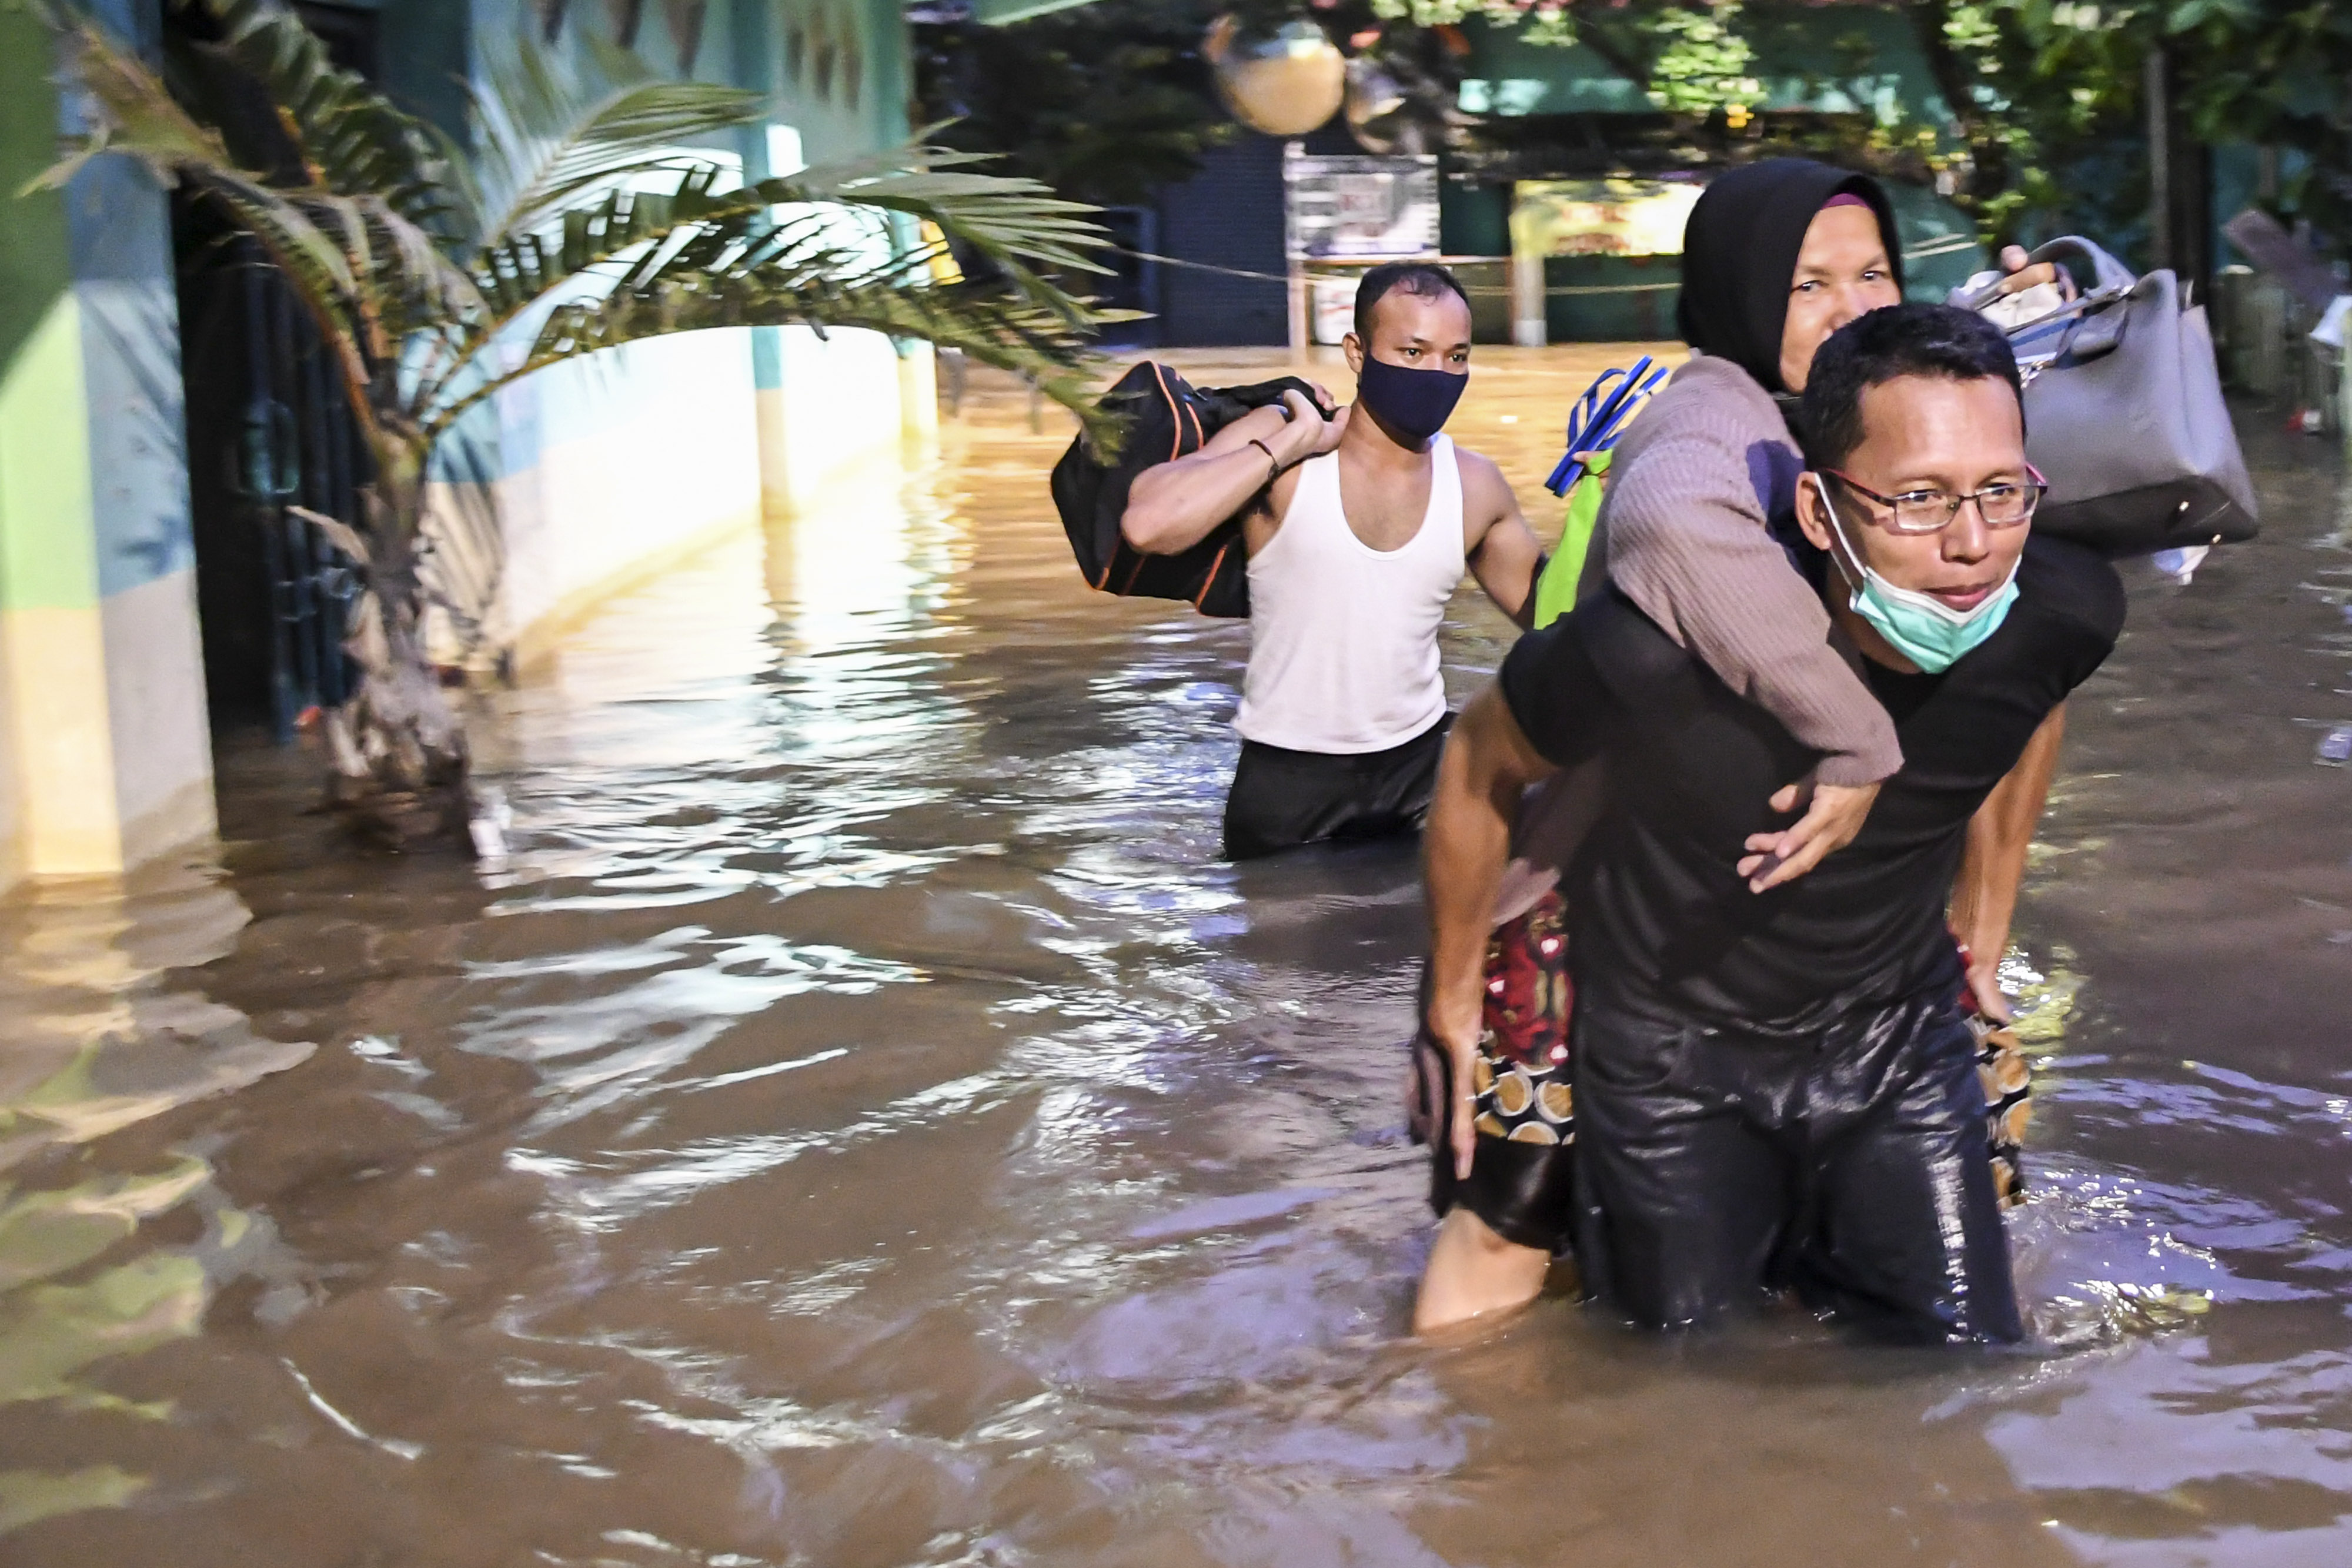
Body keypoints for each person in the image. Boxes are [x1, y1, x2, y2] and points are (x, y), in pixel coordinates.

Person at [1409, 162, 2069, 1333]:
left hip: (1821, 943)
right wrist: (1447, 992)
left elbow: (2027, 666)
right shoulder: (1712, 413)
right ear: (1735, 296)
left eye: (1871, 273)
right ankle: (1427, 1437)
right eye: (1807, 284)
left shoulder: (1895, 430)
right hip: (1595, 874)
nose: (1851, 307)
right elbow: (1661, 531)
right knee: (1514, 1209)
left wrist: (1983, 916)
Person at [1120, 262, 1544, 860]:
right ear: (1356, 351)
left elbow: (1560, 618)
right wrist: (1292, 440)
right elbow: (1149, 525)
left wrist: (1606, 508)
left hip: (1421, 776)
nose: (1436, 374)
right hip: (1288, 786)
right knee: (1285, 950)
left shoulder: (1474, 484)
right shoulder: (1283, 444)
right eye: (1412, 351)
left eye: (1456, 357)